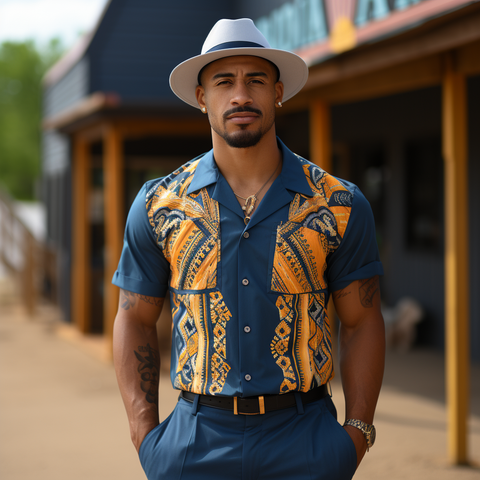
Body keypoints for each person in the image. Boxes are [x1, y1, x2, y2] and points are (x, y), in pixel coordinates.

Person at [112, 18, 385, 480]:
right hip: (194, 443)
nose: (241, 95)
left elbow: (361, 321)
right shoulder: (160, 205)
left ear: (277, 92)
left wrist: (355, 435)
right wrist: (145, 436)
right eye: (224, 82)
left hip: (306, 440)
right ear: (202, 98)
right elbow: (134, 317)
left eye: (255, 80)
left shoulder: (338, 204)